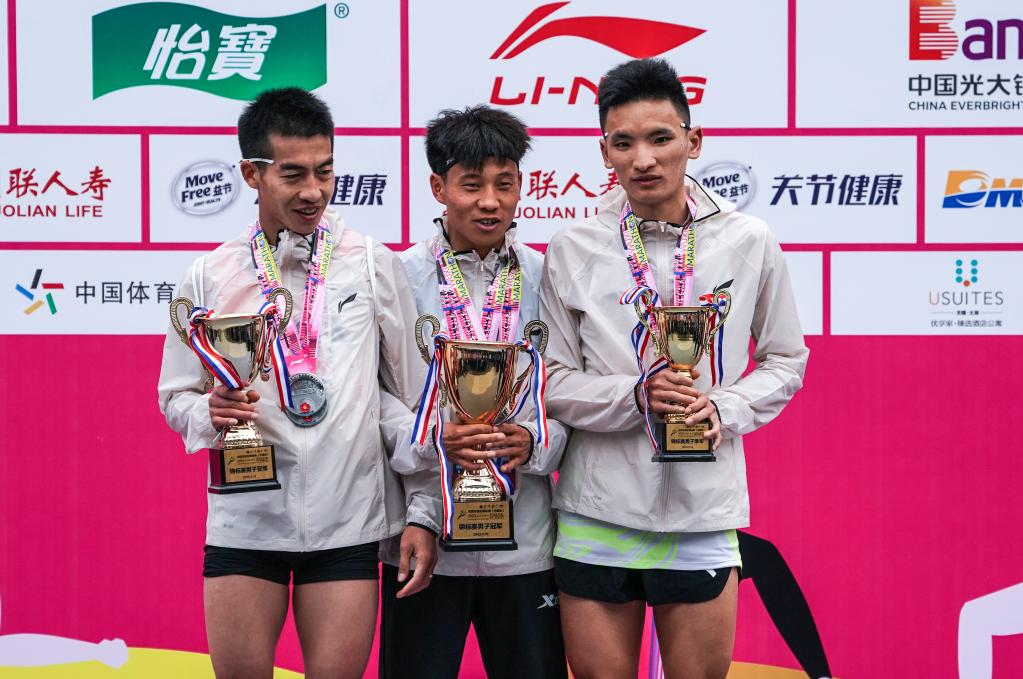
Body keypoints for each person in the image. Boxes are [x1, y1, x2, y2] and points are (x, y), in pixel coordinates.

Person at [540, 59, 809, 679]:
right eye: (623, 143)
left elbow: (786, 358)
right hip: (596, 510)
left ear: (694, 141)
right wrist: (635, 396)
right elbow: (549, 378)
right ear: (603, 151)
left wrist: (724, 408)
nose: (643, 159)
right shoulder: (573, 246)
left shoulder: (749, 239)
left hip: (702, 512)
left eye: (660, 138)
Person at [157, 87, 437, 679]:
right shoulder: (208, 275)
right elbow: (175, 395)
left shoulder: (371, 264)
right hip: (246, 520)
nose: (313, 190)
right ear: (251, 174)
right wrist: (209, 411)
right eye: (293, 174)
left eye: (324, 170)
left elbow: (414, 402)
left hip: (347, 524)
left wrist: (424, 509)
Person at [378, 105, 569, 679]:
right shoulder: (395, 277)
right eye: (471, 185)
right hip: (424, 539)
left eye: (504, 184)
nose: (490, 201)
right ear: (438, 187)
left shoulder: (550, 276)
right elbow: (379, 397)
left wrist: (536, 441)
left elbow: (569, 388)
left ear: (522, 186)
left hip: (526, 542)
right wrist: (434, 441)